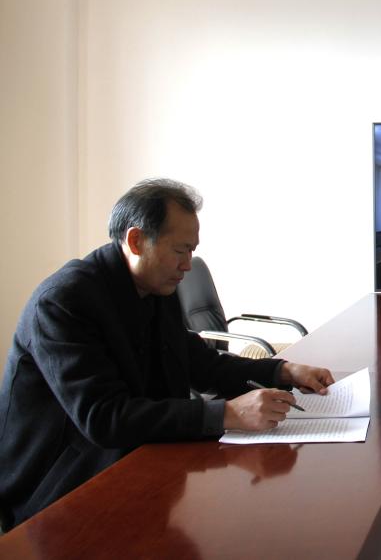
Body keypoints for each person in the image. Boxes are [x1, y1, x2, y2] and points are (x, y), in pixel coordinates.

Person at [0, 179, 334, 530]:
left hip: (132, 463)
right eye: (180, 250)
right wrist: (228, 413)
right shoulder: (63, 302)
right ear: (136, 241)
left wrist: (282, 372)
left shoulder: (155, 290)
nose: (188, 265)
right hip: (55, 492)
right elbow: (104, 417)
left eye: (192, 251)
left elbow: (199, 363)